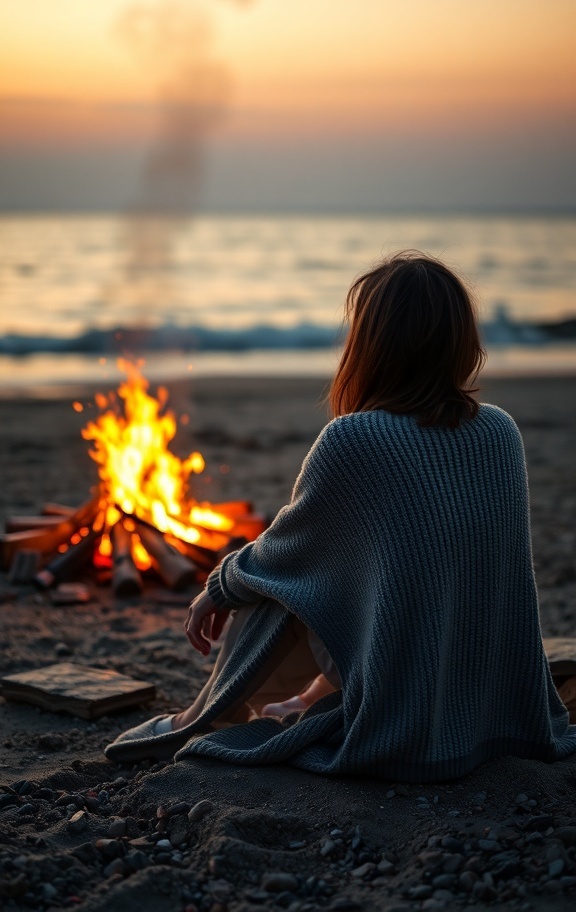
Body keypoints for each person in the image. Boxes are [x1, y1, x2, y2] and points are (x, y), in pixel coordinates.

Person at [106, 251, 576, 780]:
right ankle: (303, 700)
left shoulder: (357, 439)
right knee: (358, 575)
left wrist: (218, 587)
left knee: (274, 588)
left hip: (408, 720)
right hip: (486, 707)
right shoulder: (499, 432)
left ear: (370, 346)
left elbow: (284, 551)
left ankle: (194, 720)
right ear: (463, 342)